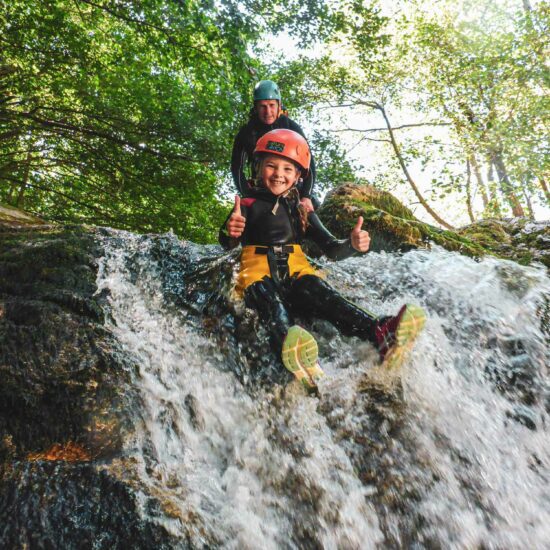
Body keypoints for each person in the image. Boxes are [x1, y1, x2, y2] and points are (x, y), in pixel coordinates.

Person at [220, 129, 425, 393]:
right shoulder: (246, 204)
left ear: (297, 176)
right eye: (271, 165)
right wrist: (232, 230)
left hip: (296, 269)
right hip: (257, 273)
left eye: (287, 169)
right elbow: (227, 241)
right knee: (272, 305)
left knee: (326, 296)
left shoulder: (302, 210)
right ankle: (290, 350)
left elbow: (331, 249)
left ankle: (380, 332)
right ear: (259, 167)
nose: (278, 174)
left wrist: (351, 245)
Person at [231, 79, 318, 212]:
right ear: (255, 108)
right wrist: (247, 194)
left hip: (290, 186)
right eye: (263, 106)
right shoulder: (247, 132)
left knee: (314, 208)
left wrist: (306, 196)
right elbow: (236, 167)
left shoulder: (291, 127)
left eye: (272, 105)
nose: (268, 112)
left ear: (279, 105)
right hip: (261, 188)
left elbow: (308, 164)